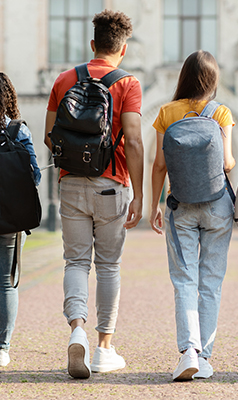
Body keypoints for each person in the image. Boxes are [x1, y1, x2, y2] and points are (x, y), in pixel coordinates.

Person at [44, 10, 143, 379]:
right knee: (109, 266)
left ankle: (77, 331)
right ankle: (103, 348)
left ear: (92, 44)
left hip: (70, 183)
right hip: (111, 184)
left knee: (75, 263)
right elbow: (132, 139)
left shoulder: (64, 79)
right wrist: (139, 194)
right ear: (123, 48)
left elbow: (49, 136)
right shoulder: (128, 83)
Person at [150, 50, 236, 381]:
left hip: (179, 204)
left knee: (184, 279)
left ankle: (188, 351)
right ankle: (206, 357)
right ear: (213, 80)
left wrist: (153, 206)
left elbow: (159, 165)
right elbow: (229, 163)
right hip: (217, 205)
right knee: (211, 281)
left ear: (183, 77)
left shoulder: (167, 112)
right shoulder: (222, 112)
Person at [0, 72, 41, 367]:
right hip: (11, 219)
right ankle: (2, 347)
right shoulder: (17, 130)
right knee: (6, 281)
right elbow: (35, 175)